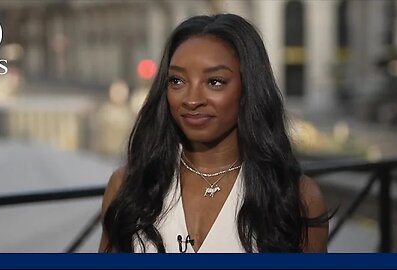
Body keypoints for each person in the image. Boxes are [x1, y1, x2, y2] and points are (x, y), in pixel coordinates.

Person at [99, 13, 329, 253]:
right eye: (177, 80)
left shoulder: (298, 199)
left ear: (248, 87)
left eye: (215, 82)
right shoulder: (127, 187)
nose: (192, 99)